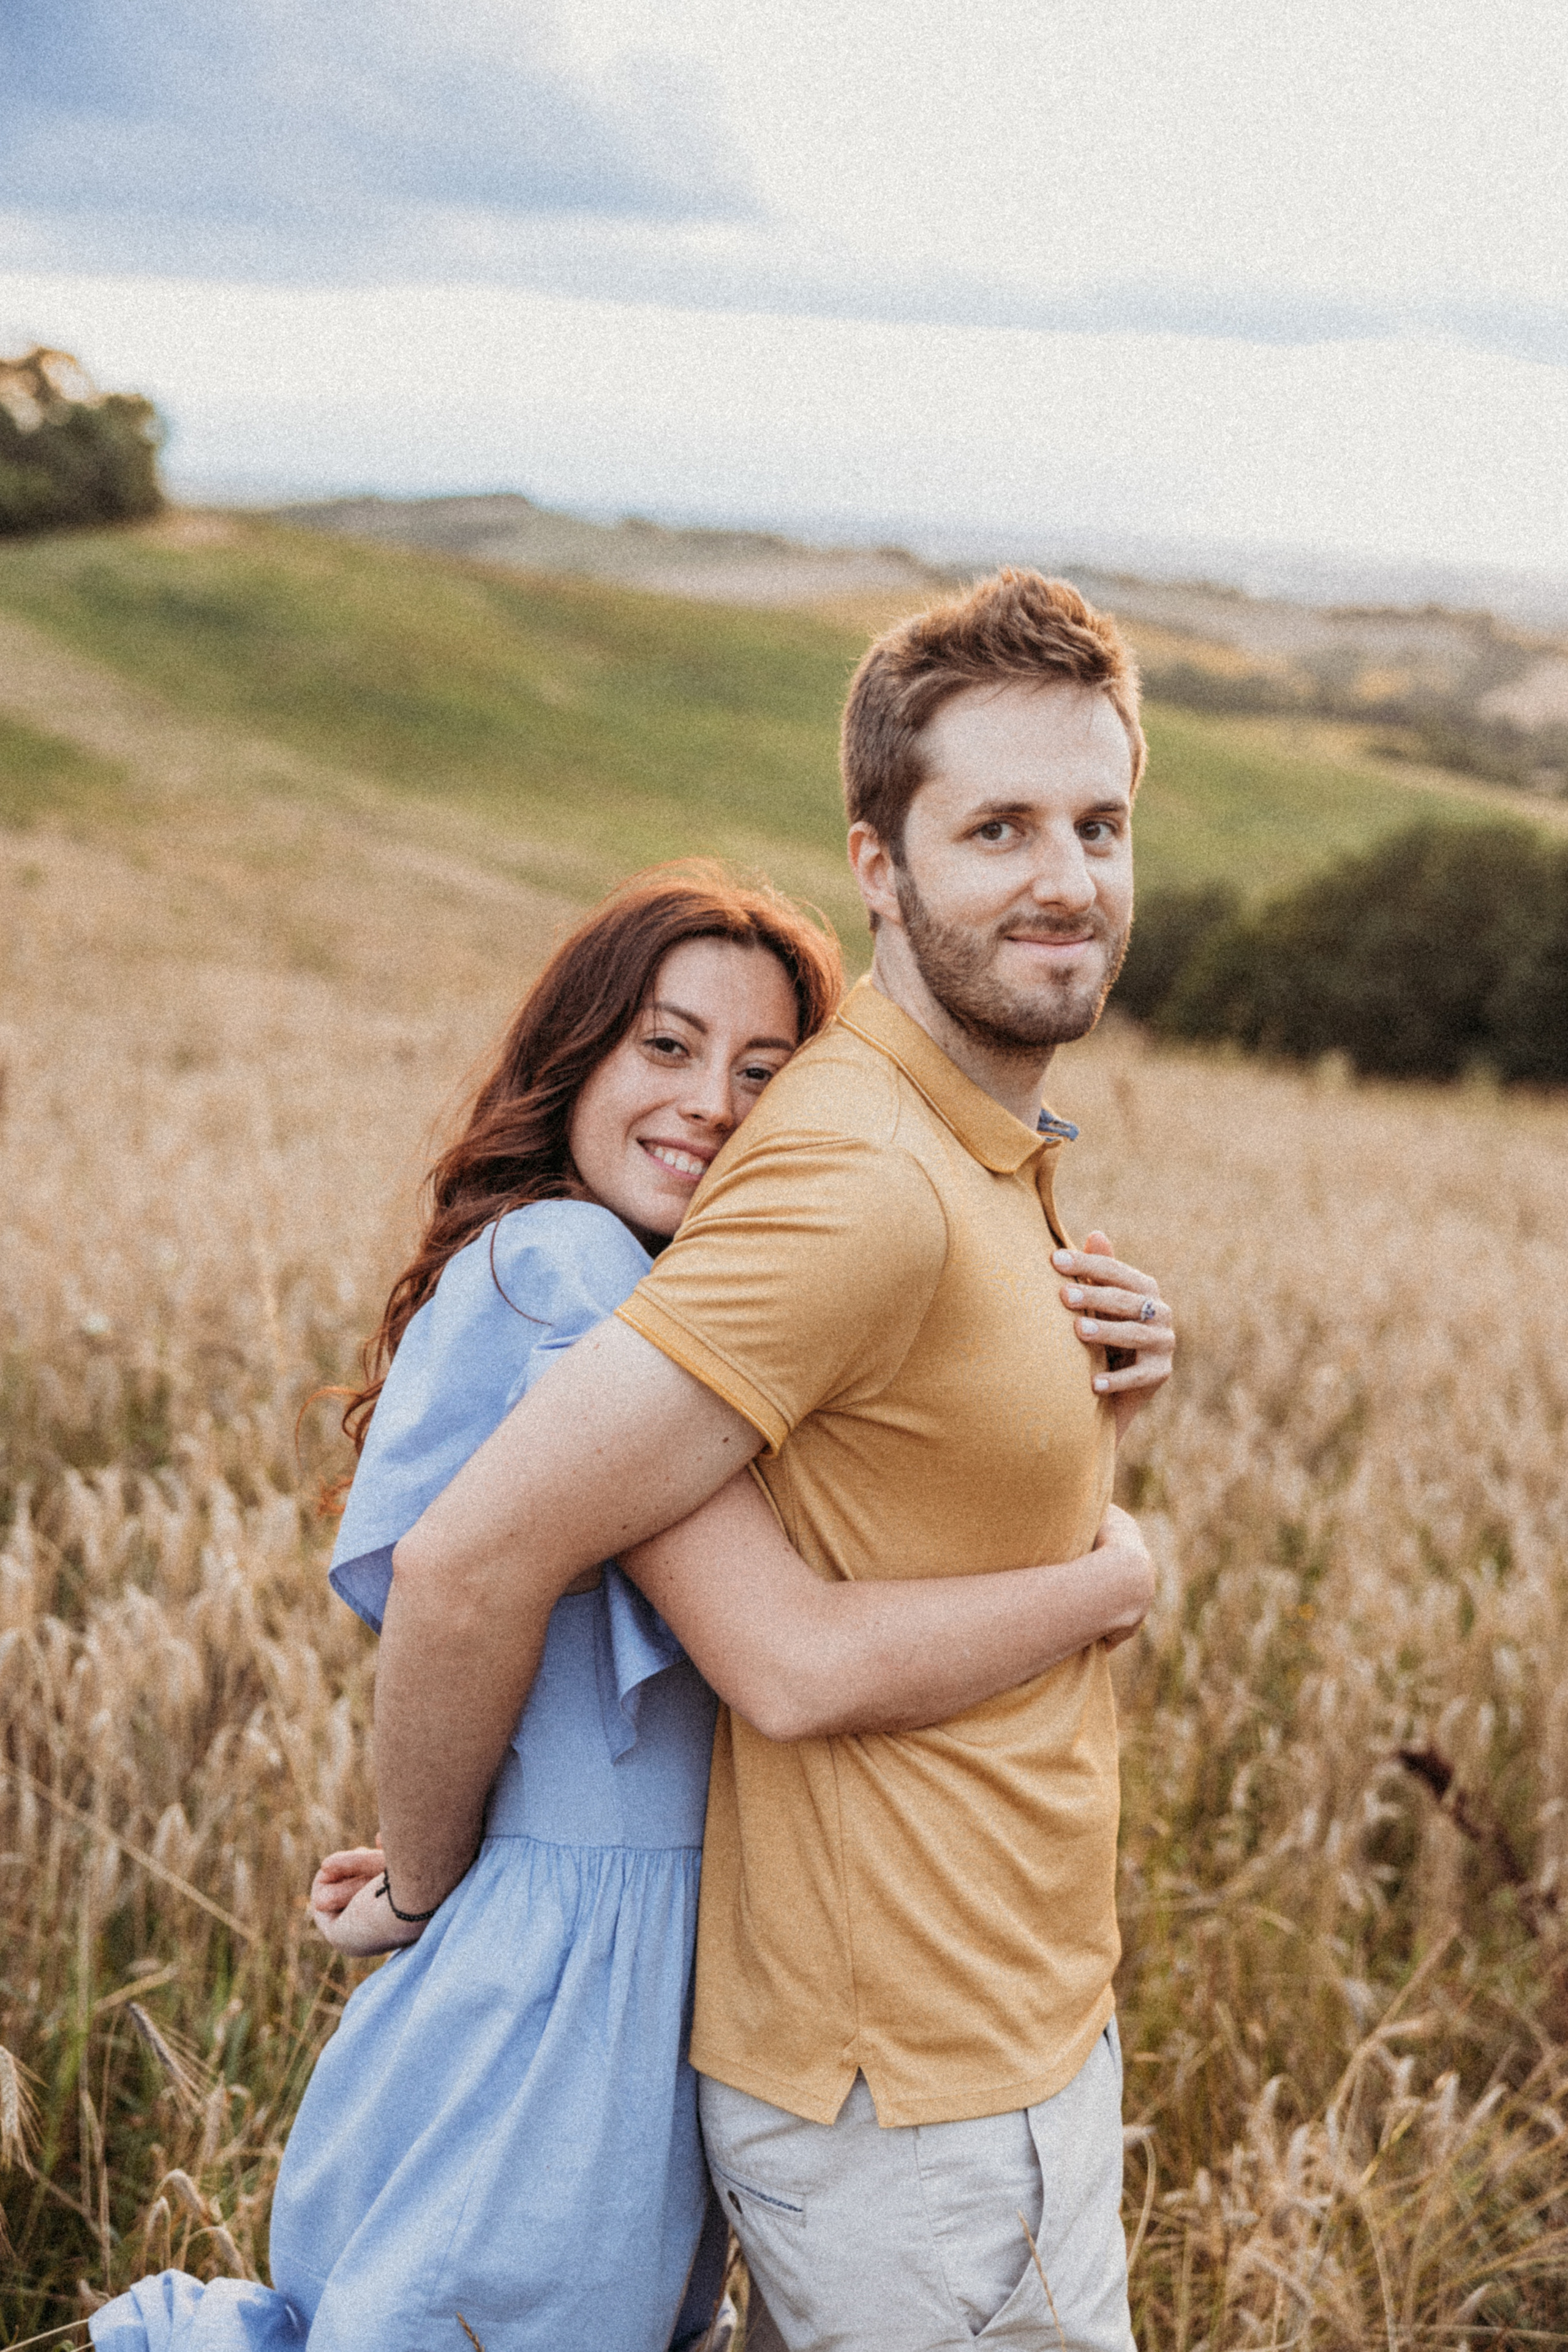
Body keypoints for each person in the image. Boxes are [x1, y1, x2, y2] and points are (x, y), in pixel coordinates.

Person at [91, 855, 1168, 2352]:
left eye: (759, 1071)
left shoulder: (680, 1305)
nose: (710, 1106)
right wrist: (1107, 1576)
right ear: (574, 1055)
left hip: (637, 1969)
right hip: (564, 2005)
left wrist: (1087, 1379)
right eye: (663, 1047)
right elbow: (705, 1640)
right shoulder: (576, 1271)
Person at [369, 572, 1173, 2352]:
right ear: (881, 866)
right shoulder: (854, 1179)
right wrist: (420, 1885)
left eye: (1100, 823)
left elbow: (902, 1469)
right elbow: (468, 1561)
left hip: (999, 2036)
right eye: (1000, 828)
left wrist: (1101, 1402)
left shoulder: (969, 1130)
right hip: (923, 2094)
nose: (1069, 877)